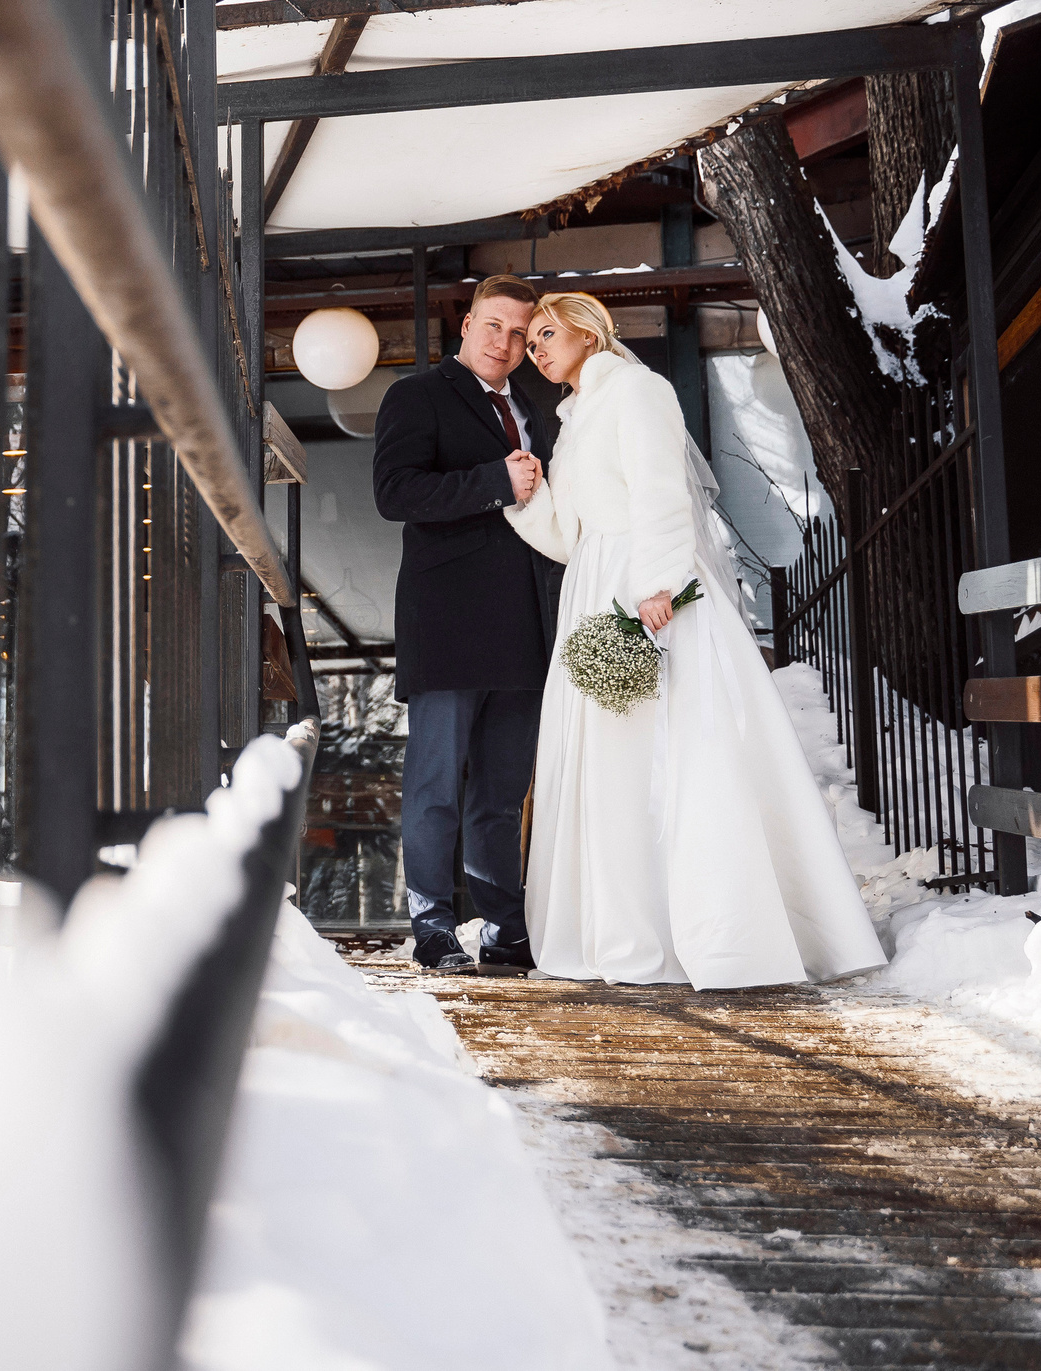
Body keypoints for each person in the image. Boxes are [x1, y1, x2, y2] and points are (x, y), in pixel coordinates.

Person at [504, 292, 885, 988]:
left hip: (642, 581)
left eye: (547, 334)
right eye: (530, 344)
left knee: (674, 748)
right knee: (606, 760)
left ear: (587, 330)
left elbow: (661, 493)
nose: (536, 350)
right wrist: (529, 498)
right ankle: (623, 926)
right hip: (591, 582)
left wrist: (657, 582)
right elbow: (568, 537)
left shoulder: (637, 390)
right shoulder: (573, 417)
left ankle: (710, 929)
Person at [371, 273, 564, 975]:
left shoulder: (537, 409)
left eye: (519, 333)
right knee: (436, 789)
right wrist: (492, 482)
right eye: (493, 325)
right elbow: (395, 493)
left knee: (501, 797)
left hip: (526, 628)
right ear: (467, 324)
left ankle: (506, 931)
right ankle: (432, 927)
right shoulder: (417, 395)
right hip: (449, 625)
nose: (505, 343)